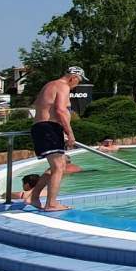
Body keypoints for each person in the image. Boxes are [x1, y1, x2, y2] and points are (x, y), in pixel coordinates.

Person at [29, 66, 85, 211]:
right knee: (59, 167)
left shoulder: (49, 85)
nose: (76, 86)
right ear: (73, 77)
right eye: (78, 82)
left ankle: (34, 198)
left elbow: (40, 106)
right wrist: (70, 133)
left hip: (41, 127)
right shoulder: (63, 86)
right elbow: (60, 110)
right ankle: (51, 204)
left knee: (55, 167)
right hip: (49, 128)